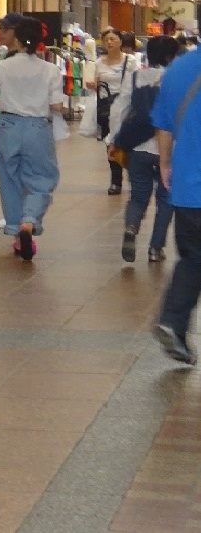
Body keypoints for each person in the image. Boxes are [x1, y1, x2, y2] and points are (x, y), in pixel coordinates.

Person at [0, 17, 64, 261]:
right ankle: (29, 221)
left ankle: (17, 234)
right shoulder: (51, 70)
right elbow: (57, 105)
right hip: (38, 127)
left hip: (7, 126)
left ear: (17, 38)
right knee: (42, 178)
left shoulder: (0, 67)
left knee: (9, 179)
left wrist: (4, 102)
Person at [107, 36, 179, 264]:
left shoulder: (135, 76)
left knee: (138, 196)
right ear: (171, 56)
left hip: (138, 147)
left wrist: (113, 139)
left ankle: (131, 226)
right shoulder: (178, 79)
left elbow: (119, 110)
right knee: (166, 199)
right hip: (170, 149)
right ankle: (155, 248)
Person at [151, 42, 201, 365]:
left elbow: (164, 124)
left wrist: (166, 164)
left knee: (194, 258)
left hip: (189, 185)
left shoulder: (179, 69)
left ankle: (172, 321)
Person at [86, 28, 132, 195]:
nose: (109, 43)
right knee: (110, 143)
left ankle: (135, 178)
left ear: (120, 41)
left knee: (129, 144)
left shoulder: (130, 61)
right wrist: (92, 85)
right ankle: (116, 181)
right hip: (106, 108)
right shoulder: (99, 62)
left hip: (126, 107)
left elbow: (137, 82)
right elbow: (94, 82)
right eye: (106, 40)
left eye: (113, 39)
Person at [0, 13, 24, 230]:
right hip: (2, 118)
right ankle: (13, 213)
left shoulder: (15, 59)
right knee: (8, 170)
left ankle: (15, 215)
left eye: (5, 29)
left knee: (11, 170)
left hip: (10, 119)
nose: (0, 34)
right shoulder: (6, 56)